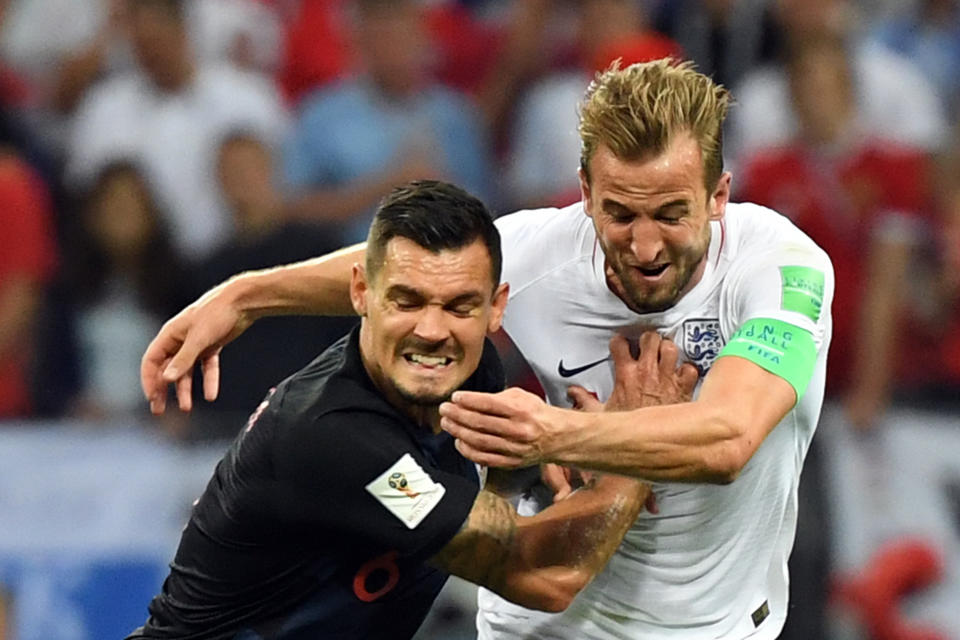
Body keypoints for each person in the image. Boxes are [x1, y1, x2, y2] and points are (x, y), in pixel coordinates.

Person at [141, 60, 835, 639]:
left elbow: (729, 438)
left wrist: (562, 436)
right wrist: (246, 295)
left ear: (718, 195)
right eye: (620, 214)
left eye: (670, 215)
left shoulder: (781, 269)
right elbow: (419, 269)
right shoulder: (541, 253)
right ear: (585, 194)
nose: (645, 247)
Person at [127, 179, 696, 639]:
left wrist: (546, 456)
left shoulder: (475, 380)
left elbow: (483, 515)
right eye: (407, 301)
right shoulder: (334, 434)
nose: (432, 332)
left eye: (458, 306)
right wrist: (633, 441)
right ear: (361, 294)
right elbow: (541, 576)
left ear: (496, 308)